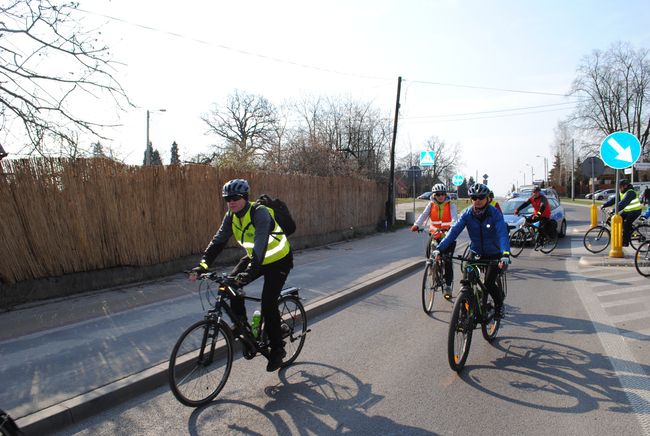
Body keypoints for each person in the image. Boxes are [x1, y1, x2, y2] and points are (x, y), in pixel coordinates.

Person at [193, 179, 293, 372]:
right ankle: (242, 327)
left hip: (278, 260)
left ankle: (278, 350)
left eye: (235, 198)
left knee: (268, 302)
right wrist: (202, 265)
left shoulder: (260, 213)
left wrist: (250, 273)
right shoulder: (231, 216)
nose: (231, 202)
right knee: (228, 286)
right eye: (227, 199)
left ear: (245, 198)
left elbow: (260, 243)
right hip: (254, 258)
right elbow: (218, 241)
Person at [432, 183, 510, 318]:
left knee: (489, 283)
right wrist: (440, 249)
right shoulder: (467, 213)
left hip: (494, 253)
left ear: (487, 198)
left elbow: (502, 234)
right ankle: (466, 307)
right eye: (474, 198)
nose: (477, 200)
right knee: (467, 280)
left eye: (481, 197)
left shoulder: (494, 213)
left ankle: (499, 306)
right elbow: (453, 231)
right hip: (476, 251)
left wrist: (505, 254)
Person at [411, 183, 458, 299]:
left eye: (442, 194)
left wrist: (452, 227)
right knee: (431, 253)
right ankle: (433, 266)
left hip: (448, 237)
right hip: (435, 235)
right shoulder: (431, 204)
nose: (441, 196)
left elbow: (455, 219)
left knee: (447, 260)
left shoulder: (451, 206)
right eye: (438, 194)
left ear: (445, 194)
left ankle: (447, 286)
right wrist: (416, 225)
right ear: (434, 195)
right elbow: (424, 215)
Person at [601, 179, 643, 247]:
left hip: (635, 211)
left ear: (625, 186)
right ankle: (629, 231)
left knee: (626, 223)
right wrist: (604, 205)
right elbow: (614, 199)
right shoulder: (622, 192)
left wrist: (614, 210)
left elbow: (623, 203)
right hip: (627, 211)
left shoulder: (630, 192)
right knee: (617, 220)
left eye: (620, 187)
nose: (619, 189)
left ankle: (625, 242)